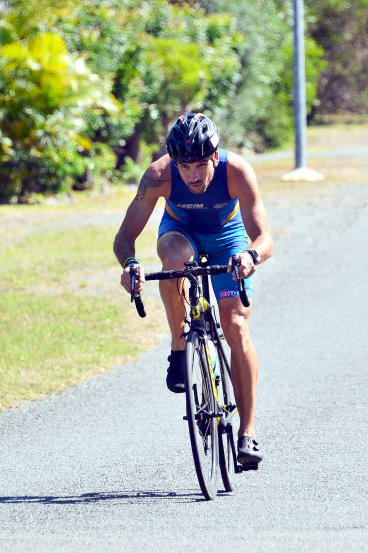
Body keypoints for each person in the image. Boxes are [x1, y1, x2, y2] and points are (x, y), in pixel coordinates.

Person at [114, 112, 273, 467]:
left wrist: (251, 256)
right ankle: (179, 347)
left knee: (236, 327)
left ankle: (247, 433)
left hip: (228, 240)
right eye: (185, 167)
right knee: (173, 259)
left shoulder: (237, 171)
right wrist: (130, 264)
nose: (193, 175)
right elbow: (124, 237)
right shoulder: (158, 175)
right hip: (180, 233)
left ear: (214, 156)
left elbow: (264, 238)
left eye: (201, 164)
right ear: (175, 162)